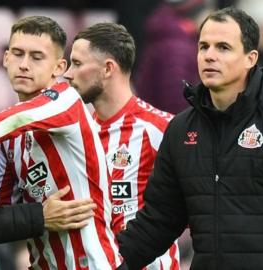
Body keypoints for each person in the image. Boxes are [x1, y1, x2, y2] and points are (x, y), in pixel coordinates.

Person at [117, 7, 263, 270]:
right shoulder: (181, 130)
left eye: (223, 47)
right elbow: (159, 221)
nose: (210, 56)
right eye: (203, 47)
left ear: (250, 58)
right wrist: (112, 264)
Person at [0, 16, 123, 269]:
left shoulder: (66, 101)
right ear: (6, 58)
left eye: (37, 57)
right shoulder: (10, 139)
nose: (24, 65)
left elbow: (16, 118)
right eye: (18, 54)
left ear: (59, 67)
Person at [63, 22, 179, 270]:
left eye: (77, 63)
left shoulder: (161, 128)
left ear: (107, 69)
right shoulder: (78, 134)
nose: (68, 73)